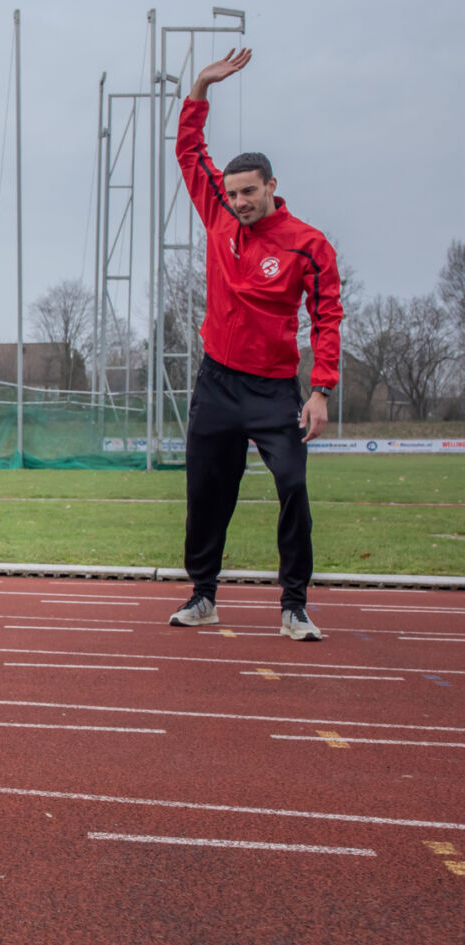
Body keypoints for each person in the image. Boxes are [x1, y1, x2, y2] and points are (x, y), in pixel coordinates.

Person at [168, 48, 343, 641]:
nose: (239, 201)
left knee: (292, 485)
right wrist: (200, 89)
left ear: (272, 186)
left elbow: (326, 317)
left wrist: (320, 390)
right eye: (233, 192)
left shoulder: (308, 245)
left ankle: (294, 605)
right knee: (206, 492)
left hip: (273, 391)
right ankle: (203, 596)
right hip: (216, 381)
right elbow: (189, 153)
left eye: (249, 192)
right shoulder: (218, 214)